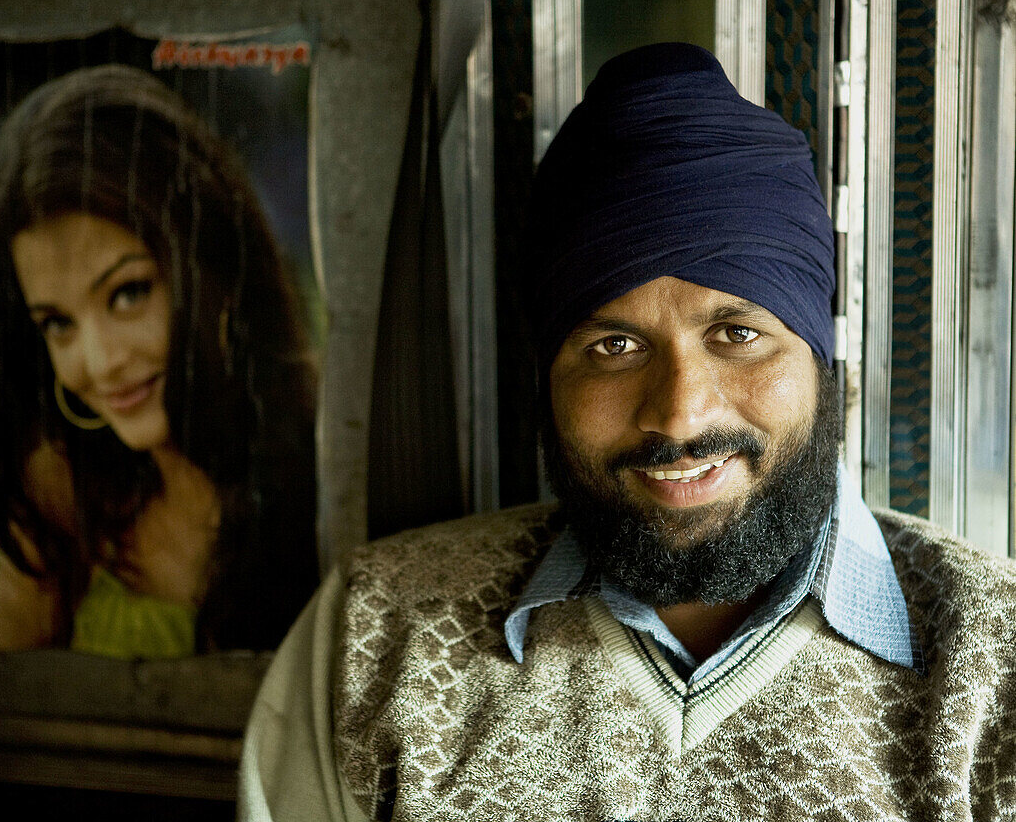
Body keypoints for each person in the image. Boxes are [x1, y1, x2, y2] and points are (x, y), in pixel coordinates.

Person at [238, 44, 1016, 819]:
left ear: (819, 358)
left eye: (737, 334)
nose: (679, 414)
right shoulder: (381, 639)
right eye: (615, 347)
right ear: (546, 378)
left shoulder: (994, 669)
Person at [0, 63, 318, 657]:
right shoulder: (62, 490)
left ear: (214, 270)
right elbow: (6, 716)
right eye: (58, 323)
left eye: (128, 293)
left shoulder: (330, 447)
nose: (101, 361)